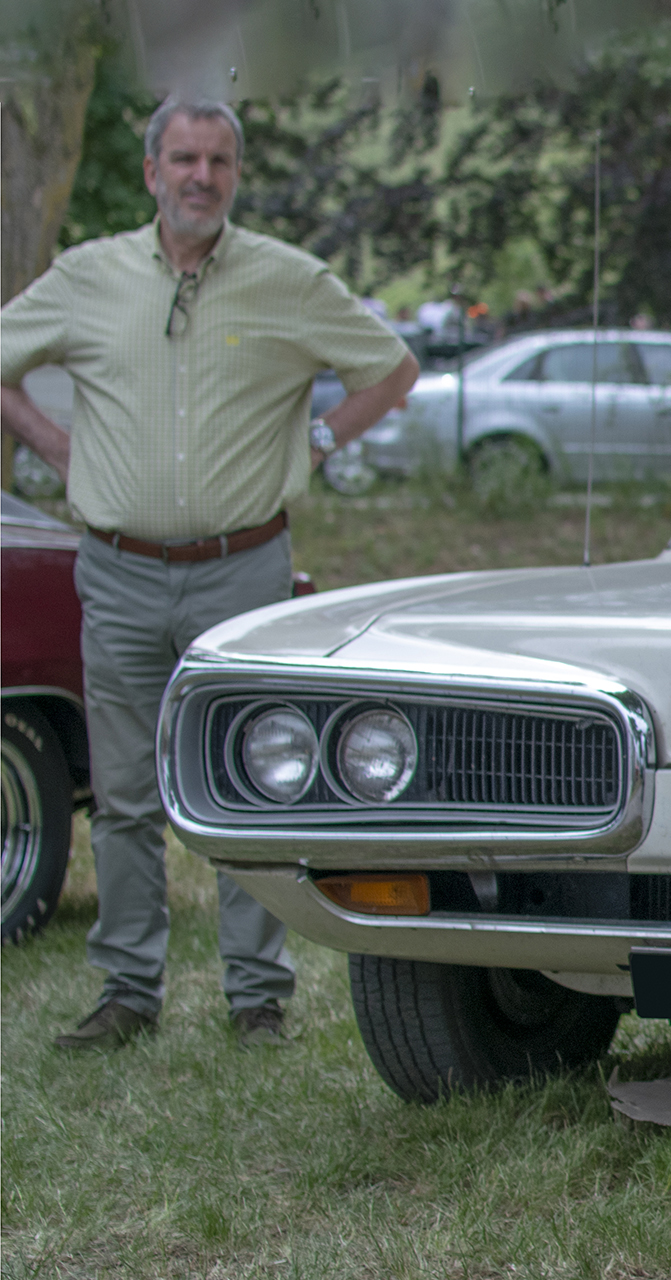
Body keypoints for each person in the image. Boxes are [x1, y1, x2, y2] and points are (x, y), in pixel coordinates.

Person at [0, 96, 418, 1051]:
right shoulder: (88, 278)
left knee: (249, 779)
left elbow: (390, 372)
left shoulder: (286, 280)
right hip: (117, 570)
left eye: (219, 161)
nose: (201, 176)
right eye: (183, 159)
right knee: (123, 790)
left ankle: (257, 996)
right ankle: (126, 991)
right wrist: (61, 453)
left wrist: (315, 441)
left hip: (244, 571)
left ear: (236, 174)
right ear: (152, 173)